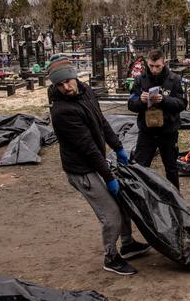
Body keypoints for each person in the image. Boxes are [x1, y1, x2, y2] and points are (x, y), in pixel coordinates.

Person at [48, 55, 150, 276]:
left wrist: (118, 147)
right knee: (111, 215)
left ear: (74, 77)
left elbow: (101, 121)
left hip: (95, 162)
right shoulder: (62, 111)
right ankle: (111, 257)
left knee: (123, 201)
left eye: (68, 81)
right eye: (60, 84)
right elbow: (87, 148)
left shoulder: (85, 91)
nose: (66, 87)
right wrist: (109, 177)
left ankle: (128, 243)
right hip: (82, 171)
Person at [128, 49, 187, 190]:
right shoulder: (140, 80)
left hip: (168, 132)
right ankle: (141, 198)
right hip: (146, 132)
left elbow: (182, 104)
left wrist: (164, 100)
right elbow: (131, 104)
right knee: (140, 167)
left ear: (164, 63)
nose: (154, 69)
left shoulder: (174, 80)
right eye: (151, 66)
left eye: (157, 66)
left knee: (171, 169)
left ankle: (175, 200)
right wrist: (140, 101)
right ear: (147, 63)